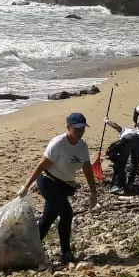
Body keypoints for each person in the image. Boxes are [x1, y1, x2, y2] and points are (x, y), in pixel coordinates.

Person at [19, 113, 98, 264]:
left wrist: (93, 193)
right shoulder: (58, 144)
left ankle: (29, 250)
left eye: (83, 129)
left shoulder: (82, 146)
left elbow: (87, 169)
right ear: (68, 127)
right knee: (67, 214)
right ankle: (66, 253)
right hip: (48, 183)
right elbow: (41, 165)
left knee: (47, 219)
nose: (80, 132)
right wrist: (26, 186)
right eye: (77, 129)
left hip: (64, 186)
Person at [104, 119, 139, 194]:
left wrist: (107, 121)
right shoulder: (138, 132)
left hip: (129, 139)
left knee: (121, 163)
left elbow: (116, 126)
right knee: (135, 162)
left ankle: (117, 186)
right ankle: (130, 183)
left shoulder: (125, 130)